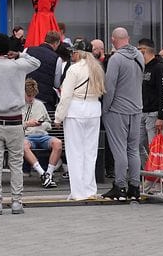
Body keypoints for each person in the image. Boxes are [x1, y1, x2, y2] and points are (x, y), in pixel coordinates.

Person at [0, 33, 41, 215]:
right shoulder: (18, 65)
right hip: (15, 120)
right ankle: (17, 202)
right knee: (16, 162)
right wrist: (19, 54)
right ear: (9, 49)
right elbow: (36, 62)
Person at [55, 48, 106, 200]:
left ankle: (78, 192)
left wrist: (58, 117)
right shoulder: (97, 68)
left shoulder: (74, 69)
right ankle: (90, 189)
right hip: (93, 110)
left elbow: (66, 96)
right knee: (90, 152)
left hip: (76, 110)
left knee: (75, 153)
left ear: (77, 53)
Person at [101, 27, 145, 202]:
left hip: (117, 110)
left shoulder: (116, 59)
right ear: (128, 38)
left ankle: (119, 186)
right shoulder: (139, 56)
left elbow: (109, 87)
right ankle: (134, 187)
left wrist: (105, 109)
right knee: (133, 150)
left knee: (119, 149)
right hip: (137, 109)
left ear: (113, 40)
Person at [22, 79, 62, 189]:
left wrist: (42, 124)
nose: (31, 98)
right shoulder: (18, 106)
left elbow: (48, 123)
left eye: (33, 96)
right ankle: (42, 173)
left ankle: (48, 174)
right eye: (28, 96)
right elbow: (15, 126)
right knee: (23, 145)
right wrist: (27, 124)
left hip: (43, 135)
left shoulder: (39, 105)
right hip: (27, 136)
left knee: (58, 143)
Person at [137, 38, 163, 169]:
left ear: (143, 51)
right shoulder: (142, 67)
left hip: (154, 113)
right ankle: (148, 171)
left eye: (138, 50)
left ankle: (156, 176)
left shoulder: (159, 67)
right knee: (136, 145)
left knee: (154, 147)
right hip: (142, 112)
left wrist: (161, 116)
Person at [26, 30, 61, 111]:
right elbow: (56, 84)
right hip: (44, 100)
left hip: (26, 96)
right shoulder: (57, 58)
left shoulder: (27, 50)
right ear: (56, 43)